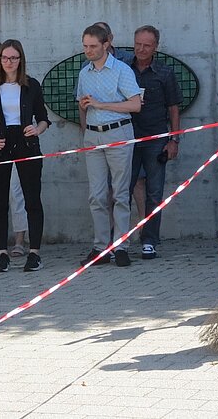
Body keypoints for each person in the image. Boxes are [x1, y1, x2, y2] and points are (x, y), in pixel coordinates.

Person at [0, 39, 49, 272]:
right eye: (5, 58)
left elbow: (43, 118)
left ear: (21, 60)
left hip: (26, 142)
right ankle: (2, 252)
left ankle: (34, 252)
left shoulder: (32, 85)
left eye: (14, 58)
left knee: (32, 199)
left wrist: (36, 129)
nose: (9, 62)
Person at [76, 23, 141, 267]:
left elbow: (135, 105)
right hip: (93, 135)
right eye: (85, 46)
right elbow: (82, 105)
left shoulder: (122, 70)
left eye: (93, 46)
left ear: (106, 45)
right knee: (97, 195)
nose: (88, 51)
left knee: (121, 193)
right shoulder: (84, 73)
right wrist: (85, 124)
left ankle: (121, 246)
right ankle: (101, 247)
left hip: (119, 132)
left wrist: (102, 105)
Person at [128, 26, 181, 260]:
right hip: (127, 138)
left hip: (156, 139)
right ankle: (115, 242)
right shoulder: (123, 70)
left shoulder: (165, 73)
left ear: (155, 47)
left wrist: (174, 139)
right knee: (121, 191)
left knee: (154, 192)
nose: (141, 49)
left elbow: (173, 108)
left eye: (146, 45)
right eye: (138, 44)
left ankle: (149, 241)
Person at [0, 42, 29, 254]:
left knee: (17, 192)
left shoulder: (26, 85)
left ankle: (20, 240)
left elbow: (39, 117)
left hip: (20, 145)